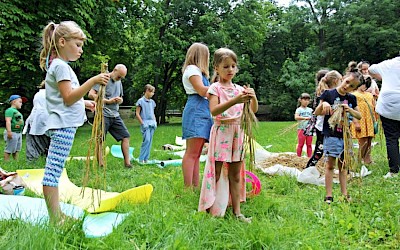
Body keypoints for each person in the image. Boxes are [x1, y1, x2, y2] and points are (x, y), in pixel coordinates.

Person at [39, 21, 109, 223]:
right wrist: (93, 81)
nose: (80, 50)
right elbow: (68, 98)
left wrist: (84, 103)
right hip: (63, 126)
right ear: (62, 42)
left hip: (62, 124)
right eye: (77, 45)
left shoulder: (59, 65)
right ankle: (56, 218)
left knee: (55, 170)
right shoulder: (61, 67)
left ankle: (57, 214)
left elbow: (66, 99)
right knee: (52, 172)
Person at [198, 48, 258, 223]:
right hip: (222, 132)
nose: (230, 70)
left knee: (236, 174)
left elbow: (252, 111)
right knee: (216, 172)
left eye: (233, 66)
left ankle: (237, 212)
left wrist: (252, 98)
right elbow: (214, 111)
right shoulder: (214, 88)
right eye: (226, 66)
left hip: (237, 132)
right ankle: (212, 209)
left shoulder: (239, 89)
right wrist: (235, 100)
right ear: (216, 68)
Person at [314, 66, 363, 204]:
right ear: (343, 78)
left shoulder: (351, 98)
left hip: (345, 137)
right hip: (331, 135)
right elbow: (317, 112)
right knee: (330, 165)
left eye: (352, 86)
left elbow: (359, 116)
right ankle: (329, 195)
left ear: (354, 89)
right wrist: (323, 106)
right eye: (347, 82)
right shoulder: (328, 94)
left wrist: (350, 110)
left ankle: (344, 193)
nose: (347, 86)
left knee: (343, 166)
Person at [181, 43, 213, 188]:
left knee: (197, 154)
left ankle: (195, 186)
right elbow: (201, 90)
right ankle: (188, 188)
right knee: (191, 153)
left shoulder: (198, 72)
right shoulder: (192, 69)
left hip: (203, 110)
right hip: (196, 111)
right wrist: (222, 89)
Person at [88, 64, 131, 168]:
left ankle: (128, 164)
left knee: (125, 136)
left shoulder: (119, 82)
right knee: (100, 139)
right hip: (103, 114)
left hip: (115, 115)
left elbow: (121, 97)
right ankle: (101, 164)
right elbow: (91, 94)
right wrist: (107, 101)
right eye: (119, 76)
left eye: (122, 77)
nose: (120, 79)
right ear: (114, 70)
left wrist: (119, 100)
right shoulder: (103, 78)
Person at [368, 56, 400, 178]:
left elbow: (370, 70)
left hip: (389, 104)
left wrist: (383, 78)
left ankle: (394, 170)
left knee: (391, 138)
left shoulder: (388, 64)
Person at [306, 70, 342, 168]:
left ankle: (343, 170)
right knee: (319, 151)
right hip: (322, 128)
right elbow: (319, 112)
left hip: (333, 127)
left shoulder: (337, 94)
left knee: (338, 149)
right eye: (341, 80)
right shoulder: (326, 94)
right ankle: (308, 169)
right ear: (335, 81)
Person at [23, 81, 50, 161]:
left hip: (37, 121)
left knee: (34, 145)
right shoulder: (51, 94)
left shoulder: (39, 94)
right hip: (44, 121)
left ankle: (33, 162)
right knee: (47, 145)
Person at [350, 75, 375, 164]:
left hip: (369, 119)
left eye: (366, 85)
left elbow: (373, 106)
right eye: (363, 84)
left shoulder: (369, 95)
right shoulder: (353, 94)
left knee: (369, 140)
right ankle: (359, 160)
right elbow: (351, 109)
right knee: (363, 140)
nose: (364, 86)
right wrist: (356, 122)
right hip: (360, 119)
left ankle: (367, 159)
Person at [135, 84, 157, 163]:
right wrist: (142, 123)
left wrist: (155, 121)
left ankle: (146, 158)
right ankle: (141, 159)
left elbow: (152, 112)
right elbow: (137, 113)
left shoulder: (152, 102)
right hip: (145, 123)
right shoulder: (140, 101)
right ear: (147, 91)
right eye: (151, 92)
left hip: (152, 123)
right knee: (146, 140)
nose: (152, 94)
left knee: (150, 141)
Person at [3, 95, 25, 161]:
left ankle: (16, 161)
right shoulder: (10, 110)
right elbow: (8, 121)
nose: (21, 103)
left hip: (18, 132)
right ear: (14, 102)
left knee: (17, 148)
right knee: (9, 148)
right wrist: (9, 132)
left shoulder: (17, 111)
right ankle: (6, 161)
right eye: (20, 102)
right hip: (12, 131)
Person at [294, 93, 313, 157]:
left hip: (309, 130)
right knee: (301, 144)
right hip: (301, 129)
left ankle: (309, 157)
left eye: (307, 100)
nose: (306, 101)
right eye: (304, 99)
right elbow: (296, 117)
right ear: (300, 100)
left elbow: (313, 117)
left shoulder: (310, 110)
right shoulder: (299, 109)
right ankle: (298, 156)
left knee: (309, 144)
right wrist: (305, 118)